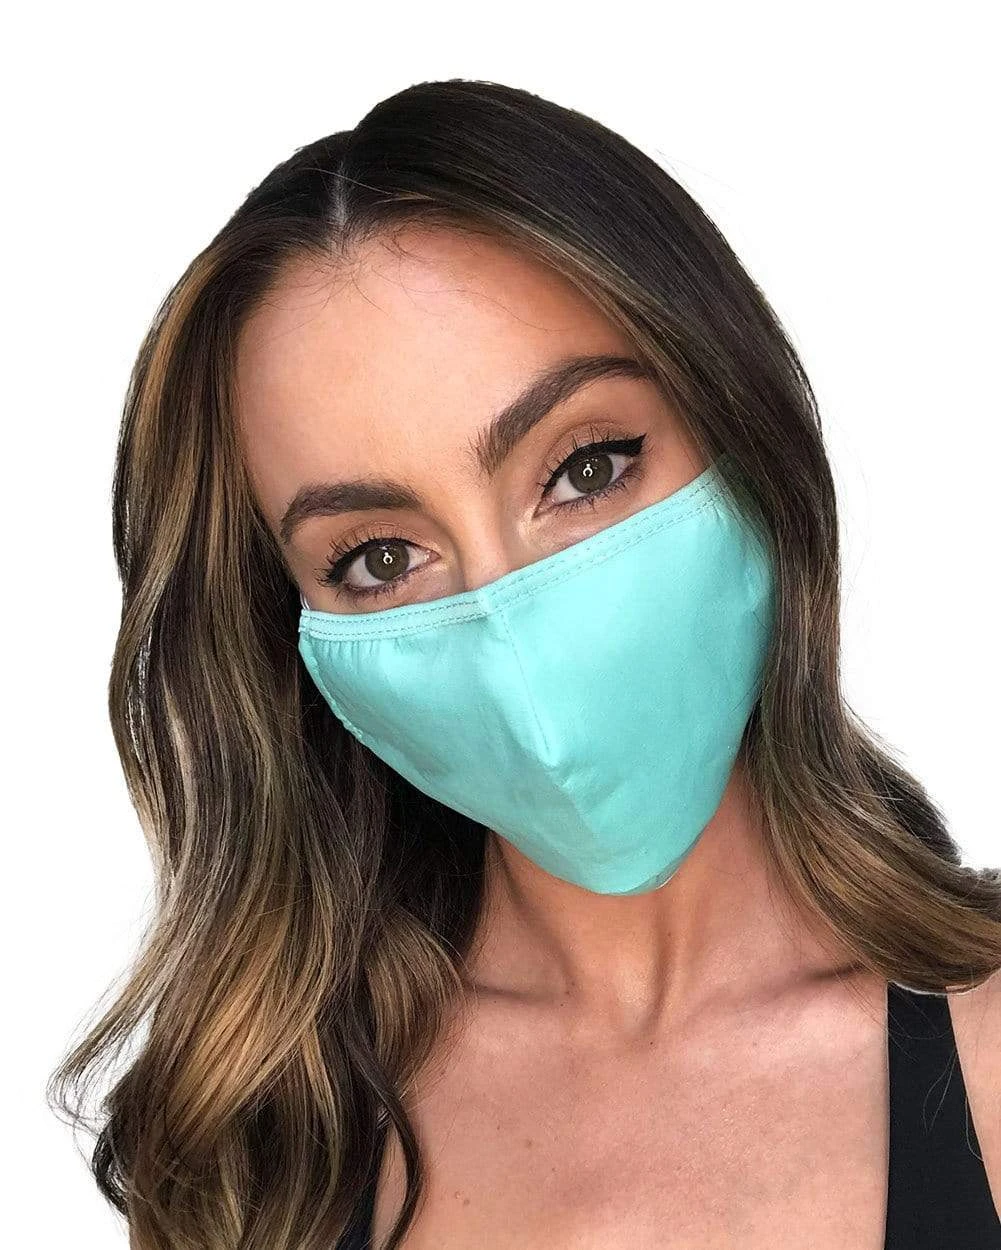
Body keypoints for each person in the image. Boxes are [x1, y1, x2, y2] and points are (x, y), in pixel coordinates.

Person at [49, 78, 1000, 1250]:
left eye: (585, 468)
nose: (510, 626)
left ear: (742, 429)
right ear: (288, 640)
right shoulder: (263, 1143)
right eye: (380, 557)